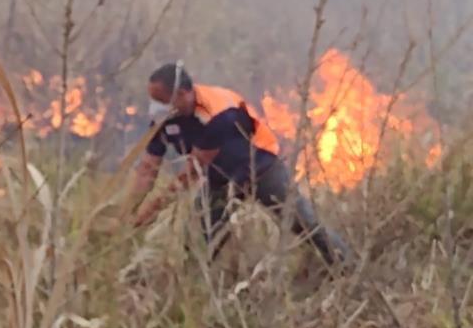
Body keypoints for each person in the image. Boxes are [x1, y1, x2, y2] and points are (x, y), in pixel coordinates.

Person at [127, 60, 350, 266]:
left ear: (183, 94)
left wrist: (151, 210)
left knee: (303, 223)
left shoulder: (216, 113)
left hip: (260, 168)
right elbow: (148, 167)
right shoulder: (163, 119)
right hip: (219, 178)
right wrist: (129, 210)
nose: (156, 106)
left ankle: (347, 268)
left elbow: (193, 170)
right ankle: (197, 290)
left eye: (161, 100)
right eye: (153, 100)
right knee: (199, 238)